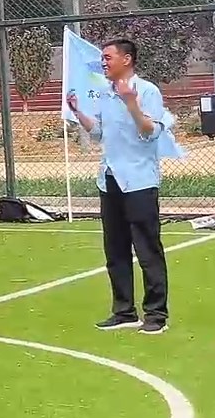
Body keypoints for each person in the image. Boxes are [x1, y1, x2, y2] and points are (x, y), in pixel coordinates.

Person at [67, 38, 177, 334]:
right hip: (110, 179)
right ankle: (124, 311)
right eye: (102, 58)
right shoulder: (104, 92)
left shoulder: (148, 91)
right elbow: (99, 133)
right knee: (115, 250)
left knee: (147, 249)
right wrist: (78, 112)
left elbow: (150, 133)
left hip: (139, 180)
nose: (103, 62)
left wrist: (131, 102)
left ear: (126, 59)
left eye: (108, 57)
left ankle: (156, 315)